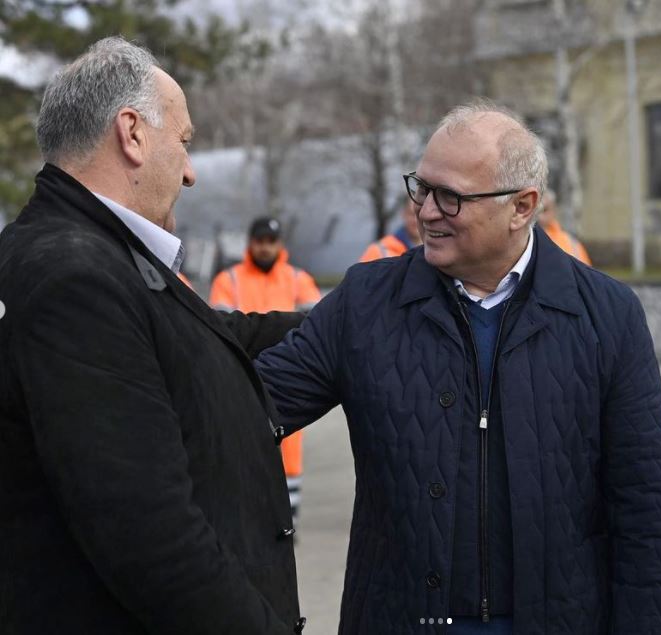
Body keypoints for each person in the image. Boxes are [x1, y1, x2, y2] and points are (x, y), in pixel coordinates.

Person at [256, 101, 661, 634]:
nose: (426, 211)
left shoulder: (607, 316)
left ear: (522, 207)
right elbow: (246, 408)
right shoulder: (365, 301)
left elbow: (645, 511)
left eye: (451, 197)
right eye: (423, 188)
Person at [0, 37, 306, 634]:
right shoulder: (75, 277)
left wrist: (360, 312)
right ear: (132, 134)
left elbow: (211, 339)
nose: (190, 172)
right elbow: (152, 538)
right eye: (185, 142)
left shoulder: (90, 256)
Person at [209, 216, 321, 523]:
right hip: (241, 375)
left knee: (289, 449)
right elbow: (221, 330)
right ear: (250, 243)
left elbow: (318, 328)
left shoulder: (298, 278)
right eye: (260, 241)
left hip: (290, 376)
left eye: (271, 241)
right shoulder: (227, 279)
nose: (265, 247)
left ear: (280, 244)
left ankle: (288, 517)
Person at [537, 189, 592, 265]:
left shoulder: (572, 243)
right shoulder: (521, 241)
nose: (539, 216)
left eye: (544, 210)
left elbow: (585, 274)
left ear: (554, 210)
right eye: (537, 210)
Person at [358, 198, 422, 261]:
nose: (416, 220)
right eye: (411, 214)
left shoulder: (430, 254)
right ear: (403, 214)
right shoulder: (378, 251)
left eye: (420, 214)